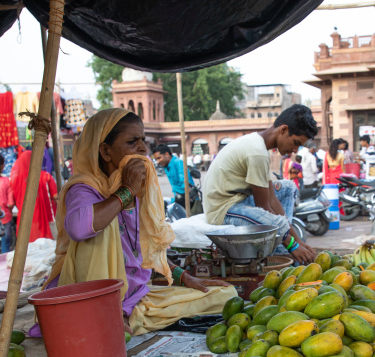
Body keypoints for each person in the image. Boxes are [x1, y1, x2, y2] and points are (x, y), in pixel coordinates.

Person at [42, 109, 235, 337]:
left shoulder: (131, 186)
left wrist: (184, 277)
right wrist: (126, 192)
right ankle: (106, 315)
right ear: (105, 151)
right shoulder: (85, 187)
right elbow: (79, 228)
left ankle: (126, 317)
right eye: (133, 142)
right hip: (91, 297)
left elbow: (142, 248)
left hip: (135, 295)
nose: (143, 149)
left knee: (227, 296)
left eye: (144, 140)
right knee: (103, 225)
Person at [203, 104, 317, 265]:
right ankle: (282, 249)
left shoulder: (259, 146)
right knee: (275, 222)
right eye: (296, 143)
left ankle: (280, 248)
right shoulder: (257, 152)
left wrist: (298, 240)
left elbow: (272, 199)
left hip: (240, 202)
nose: (295, 150)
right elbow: (265, 208)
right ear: (283, 130)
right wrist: (293, 245)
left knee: (288, 188)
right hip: (224, 210)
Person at [11, 150, 57, 242]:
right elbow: (56, 197)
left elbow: (14, 202)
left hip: (25, 223)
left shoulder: (15, 181)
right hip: (46, 220)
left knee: (29, 251)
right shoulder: (46, 177)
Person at [0, 154, 14, 253]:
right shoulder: (6, 181)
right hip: (5, 219)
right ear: (2, 165)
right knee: (5, 246)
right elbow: (10, 204)